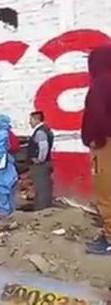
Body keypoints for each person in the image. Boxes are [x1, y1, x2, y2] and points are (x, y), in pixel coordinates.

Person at [81, 45, 111, 255]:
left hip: (106, 145)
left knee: (106, 193)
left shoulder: (101, 84)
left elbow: (97, 115)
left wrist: (96, 138)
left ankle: (109, 238)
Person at [0, 114, 18, 219]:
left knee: (0, 186)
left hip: (2, 164)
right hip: (9, 162)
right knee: (10, 186)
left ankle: (3, 210)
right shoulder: (8, 133)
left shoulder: (1, 134)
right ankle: (11, 210)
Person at [27, 111, 54, 211]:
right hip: (45, 163)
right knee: (43, 186)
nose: (30, 123)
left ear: (36, 119)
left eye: (31, 120)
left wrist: (39, 159)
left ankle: (42, 209)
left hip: (41, 165)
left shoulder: (40, 132)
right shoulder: (45, 130)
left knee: (41, 187)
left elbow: (43, 147)